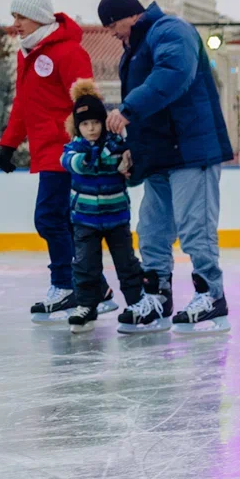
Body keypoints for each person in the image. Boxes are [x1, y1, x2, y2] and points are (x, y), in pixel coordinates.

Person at [97, 0, 234, 330]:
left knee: (195, 228)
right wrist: (134, 152)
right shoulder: (134, 50)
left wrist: (128, 109)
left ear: (131, 15)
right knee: (152, 232)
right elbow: (149, 116)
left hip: (190, 150)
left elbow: (173, 75)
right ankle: (158, 295)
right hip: (160, 156)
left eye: (113, 25)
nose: (113, 33)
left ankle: (211, 295)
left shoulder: (170, 30)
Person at [0, 0, 114, 318]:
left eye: (21, 16)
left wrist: (90, 145)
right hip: (46, 150)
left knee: (50, 217)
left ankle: (67, 285)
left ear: (38, 18)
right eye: (14, 16)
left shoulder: (67, 52)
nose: (16, 23)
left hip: (68, 152)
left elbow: (86, 102)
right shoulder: (29, 54)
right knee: (60, 218)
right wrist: (8, 143)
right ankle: (95, 287)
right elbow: (23, 103)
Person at [59, 80, 147, 334]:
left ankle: (136, 302)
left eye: (95, 123)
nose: (91, 129)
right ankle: (87, 305)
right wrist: (88, 157)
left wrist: (121, 158)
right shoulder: (74, 148)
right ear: (78, 127)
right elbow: (70, 161)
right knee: (86, 265)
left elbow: (122, 163)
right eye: (85, 124)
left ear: (103, 122)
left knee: (126, 263)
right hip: (84, 220)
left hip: (116, 218)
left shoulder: (116, 145)